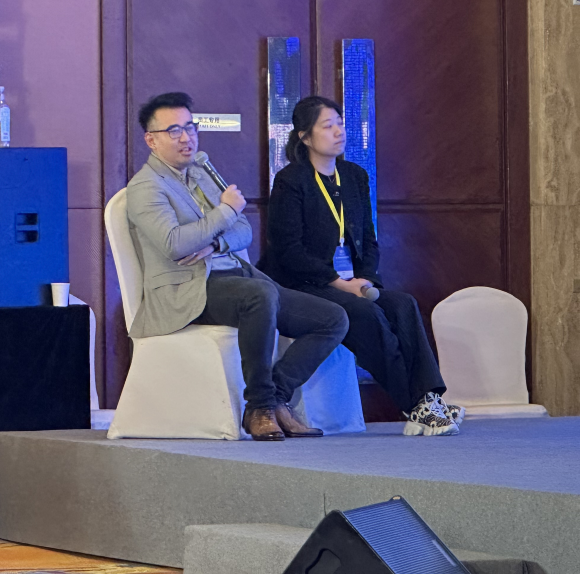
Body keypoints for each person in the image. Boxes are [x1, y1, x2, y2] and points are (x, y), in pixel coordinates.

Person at [125, 92, 349, 441]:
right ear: (151, 140)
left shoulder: (201, 172)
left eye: (190, 127)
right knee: (258, 295)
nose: (186, 138)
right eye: (173, 131)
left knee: (332, 318)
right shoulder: (145, 187)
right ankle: (259, 406)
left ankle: (276, 397)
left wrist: (215, 242)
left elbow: (244, 229)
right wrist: (225, 211)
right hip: (188, 288)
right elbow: (175, 244)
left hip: (235, 277)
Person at [266, 95, 462, 436]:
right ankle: (414, 405)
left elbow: (368, 240)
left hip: (353, 281)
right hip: (306, 284)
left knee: (403, 304)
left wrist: (366, 279)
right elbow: (289, 252)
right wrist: (340, 284)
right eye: (328, 126)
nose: (339, 132)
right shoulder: (291, 181)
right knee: (365, 314)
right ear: (305, 137)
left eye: (340, 123)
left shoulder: (354, 176)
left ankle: (430, 398)